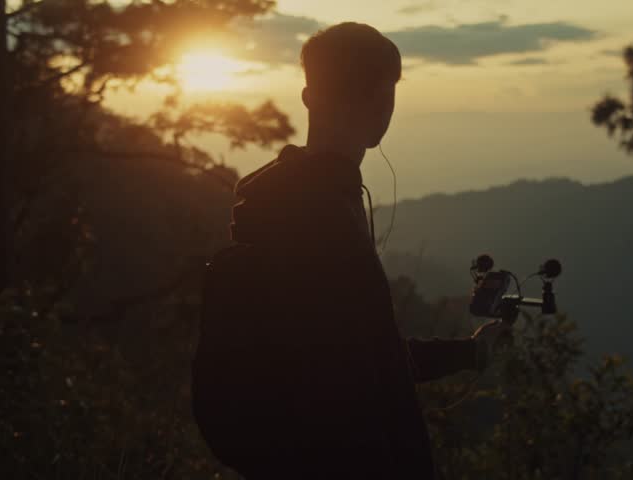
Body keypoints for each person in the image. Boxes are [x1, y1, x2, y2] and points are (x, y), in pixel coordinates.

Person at [191, 22, 512, 480]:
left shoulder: (281, 204)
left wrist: (466, 354)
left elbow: (367, 352)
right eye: (387, 94)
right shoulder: (326, 223)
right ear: (383, 104)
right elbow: (354, 383)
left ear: (308, 97)